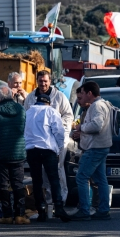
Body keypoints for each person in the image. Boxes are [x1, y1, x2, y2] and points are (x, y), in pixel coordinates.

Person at [24, 70, 73, 204]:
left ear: (50, 81)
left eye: (45, 81)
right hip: (37, 142)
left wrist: (59, 131)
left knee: (56, 170)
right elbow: (26, 118)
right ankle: (46, 200)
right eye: (40, 81)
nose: (43, 84)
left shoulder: (59, 97)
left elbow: (68, 115)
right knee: (39, 175)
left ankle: (61, 199)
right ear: (37, 81)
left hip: (56, 141)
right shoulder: (30, 98)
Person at [0, 86, 28, 225]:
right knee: (18, 184)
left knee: (2, 185)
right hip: (18, 152)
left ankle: (7, 215)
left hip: (0, 153)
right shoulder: (21, 109)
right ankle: (20, 215)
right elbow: (24, 128)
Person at [70, 81, 113, 221]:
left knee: (81, 177)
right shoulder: (104, 104)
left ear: (89, 93)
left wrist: (80, 128)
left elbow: (97, 125)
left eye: (82, 93)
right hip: (101, 146)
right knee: (101, 179)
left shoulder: (97, 106)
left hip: (95, 148)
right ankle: (104, 210)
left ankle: (84, 210)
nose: (80, 96)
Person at [24, 94, 70, 222]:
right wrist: (59, 148)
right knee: (54, 180)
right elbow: (59, 132)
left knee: (37, 181)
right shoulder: (51, 111)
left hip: (32, 150)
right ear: (48, 103)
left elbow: (24, 131)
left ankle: (41, 210)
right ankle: (59, 208)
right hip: (48, 149)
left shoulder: (28, 112)